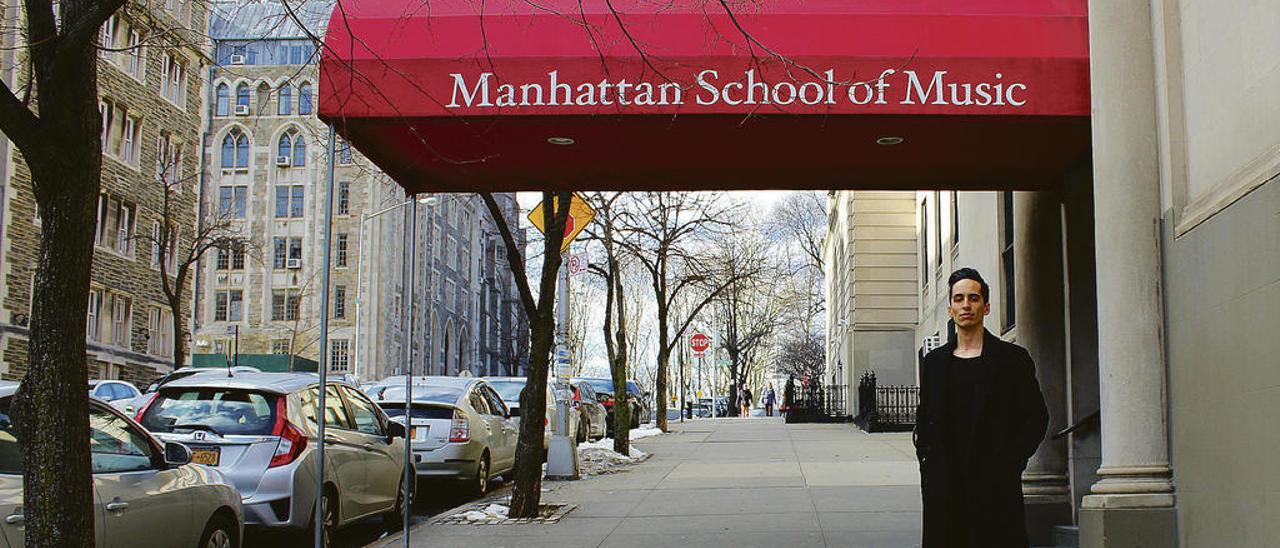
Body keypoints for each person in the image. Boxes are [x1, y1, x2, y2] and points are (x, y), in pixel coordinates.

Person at [914, 268, 1049, 548]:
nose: (966, 305)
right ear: (950, 308)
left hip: (995, 486)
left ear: (986, 306)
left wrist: (1011, 462)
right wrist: (928, 464)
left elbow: (1036, 418)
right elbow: (925, 418)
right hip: (945, 488)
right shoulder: (934, 363)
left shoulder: (1012, 360)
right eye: (959, 298)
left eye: (973, 298)